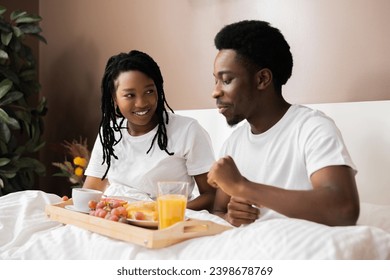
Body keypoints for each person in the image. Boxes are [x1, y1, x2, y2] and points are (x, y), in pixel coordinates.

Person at [207, 20, 360, 226]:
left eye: (226, 80)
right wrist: (230, 217)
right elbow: (218, 211)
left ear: (262, 79)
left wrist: (243, 187)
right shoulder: (233, 143)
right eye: (215, 80)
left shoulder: (312, 127)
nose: (215, 91)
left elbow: (344, 208)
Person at [83, 50, 216, 211]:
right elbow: (91, 192)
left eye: (149, 91)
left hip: (164, 221)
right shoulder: (109, 132)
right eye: (130, 95)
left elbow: (211, 196)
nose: (141, 103)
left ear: (158, 89)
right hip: (117, 218)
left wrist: (161, 213)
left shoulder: (188, 130)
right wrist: (73, 205)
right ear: (114, 99)